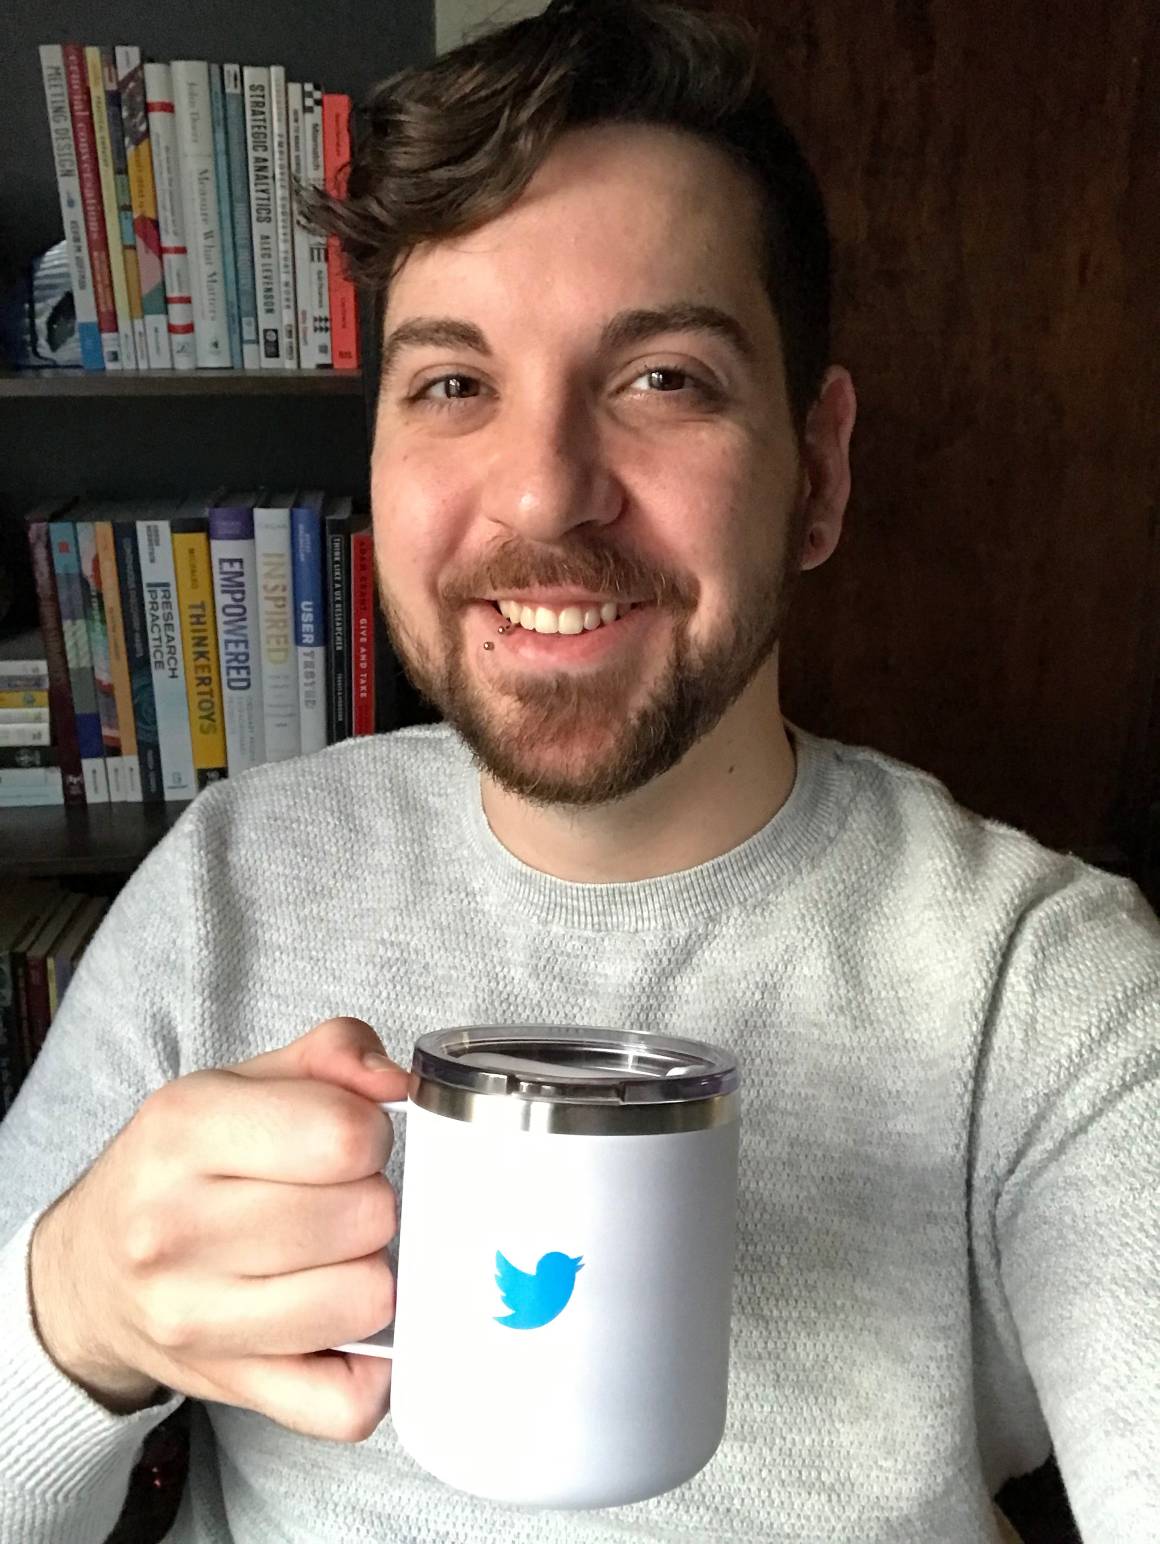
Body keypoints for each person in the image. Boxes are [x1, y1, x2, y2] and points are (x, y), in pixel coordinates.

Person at [1, 0, 1157, 1539]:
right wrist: (67, 1318)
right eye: (453, 384)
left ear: (817, 471)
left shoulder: (1049, 987)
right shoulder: (227, 882)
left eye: (662, 379)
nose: (543, 488)